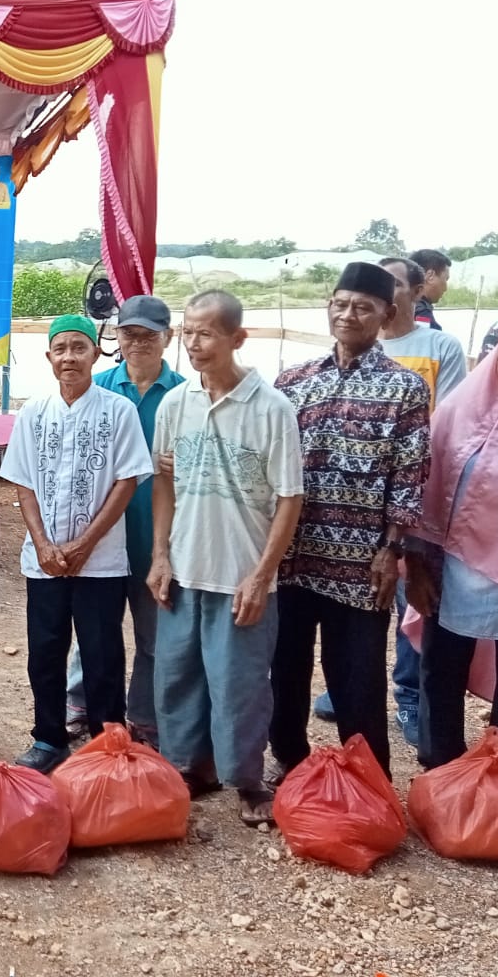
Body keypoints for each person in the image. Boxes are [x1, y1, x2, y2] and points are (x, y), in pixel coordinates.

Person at [268, 262, 430, 781]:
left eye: (362, 306)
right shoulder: (291, 383)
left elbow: (410, 474)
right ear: (329, 308)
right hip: (291, 556)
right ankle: (287, 760)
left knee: (357, 676)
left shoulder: (405, 388)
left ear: (386, 313)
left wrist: (393, 549)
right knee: (285, 668)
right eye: (340, 303)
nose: (349, 314)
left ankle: (367, 778)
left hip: (361, 564)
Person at [149, 292, 304, 825]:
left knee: (239, 684)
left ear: (238, 339)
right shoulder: (176, 403)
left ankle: (246, 779)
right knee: (176, 677)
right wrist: (160, 555)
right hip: (185, 569)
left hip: (240, 573)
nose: (195, 344)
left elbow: (290, 497)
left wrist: (262, 576)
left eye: (207, 333)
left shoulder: (271, 408)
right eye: (188, 332)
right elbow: (163, 482)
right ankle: (190, 770)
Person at [1, 314, 151, 771]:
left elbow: (127, 481)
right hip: (43, 562)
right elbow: (22, 482)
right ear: (49, 357)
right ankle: (49, 738)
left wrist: (85, 544)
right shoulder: (34, 412)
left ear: (97, 353)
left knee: (102, 652)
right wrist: (43, 544)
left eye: (78, 348)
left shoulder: (117, 410)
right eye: (60, 349)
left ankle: (109, 742)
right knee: (45, 650)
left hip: (101, 561)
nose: (69, 357)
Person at [407, 314, 498, 771]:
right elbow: (425, 483)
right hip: (450, 568)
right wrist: (417, 563)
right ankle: (439, 768)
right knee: (440, 671)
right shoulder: (461, 407)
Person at [65, 294, 184, 745]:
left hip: (157, 538)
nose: (137, 343)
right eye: (129, 334)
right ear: (116, 337)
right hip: (101, 533)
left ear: (167, 338)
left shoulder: (185, 395)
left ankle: (145, 720)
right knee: (93, 631)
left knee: (154, 636)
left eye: (148, 335)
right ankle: (79, 706)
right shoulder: (96, 388)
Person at [378, 257, 467, 410]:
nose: (380, 291)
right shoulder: (355, 346)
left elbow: (446, 417)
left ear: (418, 292)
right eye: (375, 283)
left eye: (394, 284)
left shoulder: (443, 347)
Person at [408, 248, 451, 330]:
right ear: (430, 276)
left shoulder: (396, 305)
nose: (445, 288)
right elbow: (424, 340)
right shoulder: (421, 314)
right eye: (445, 279)